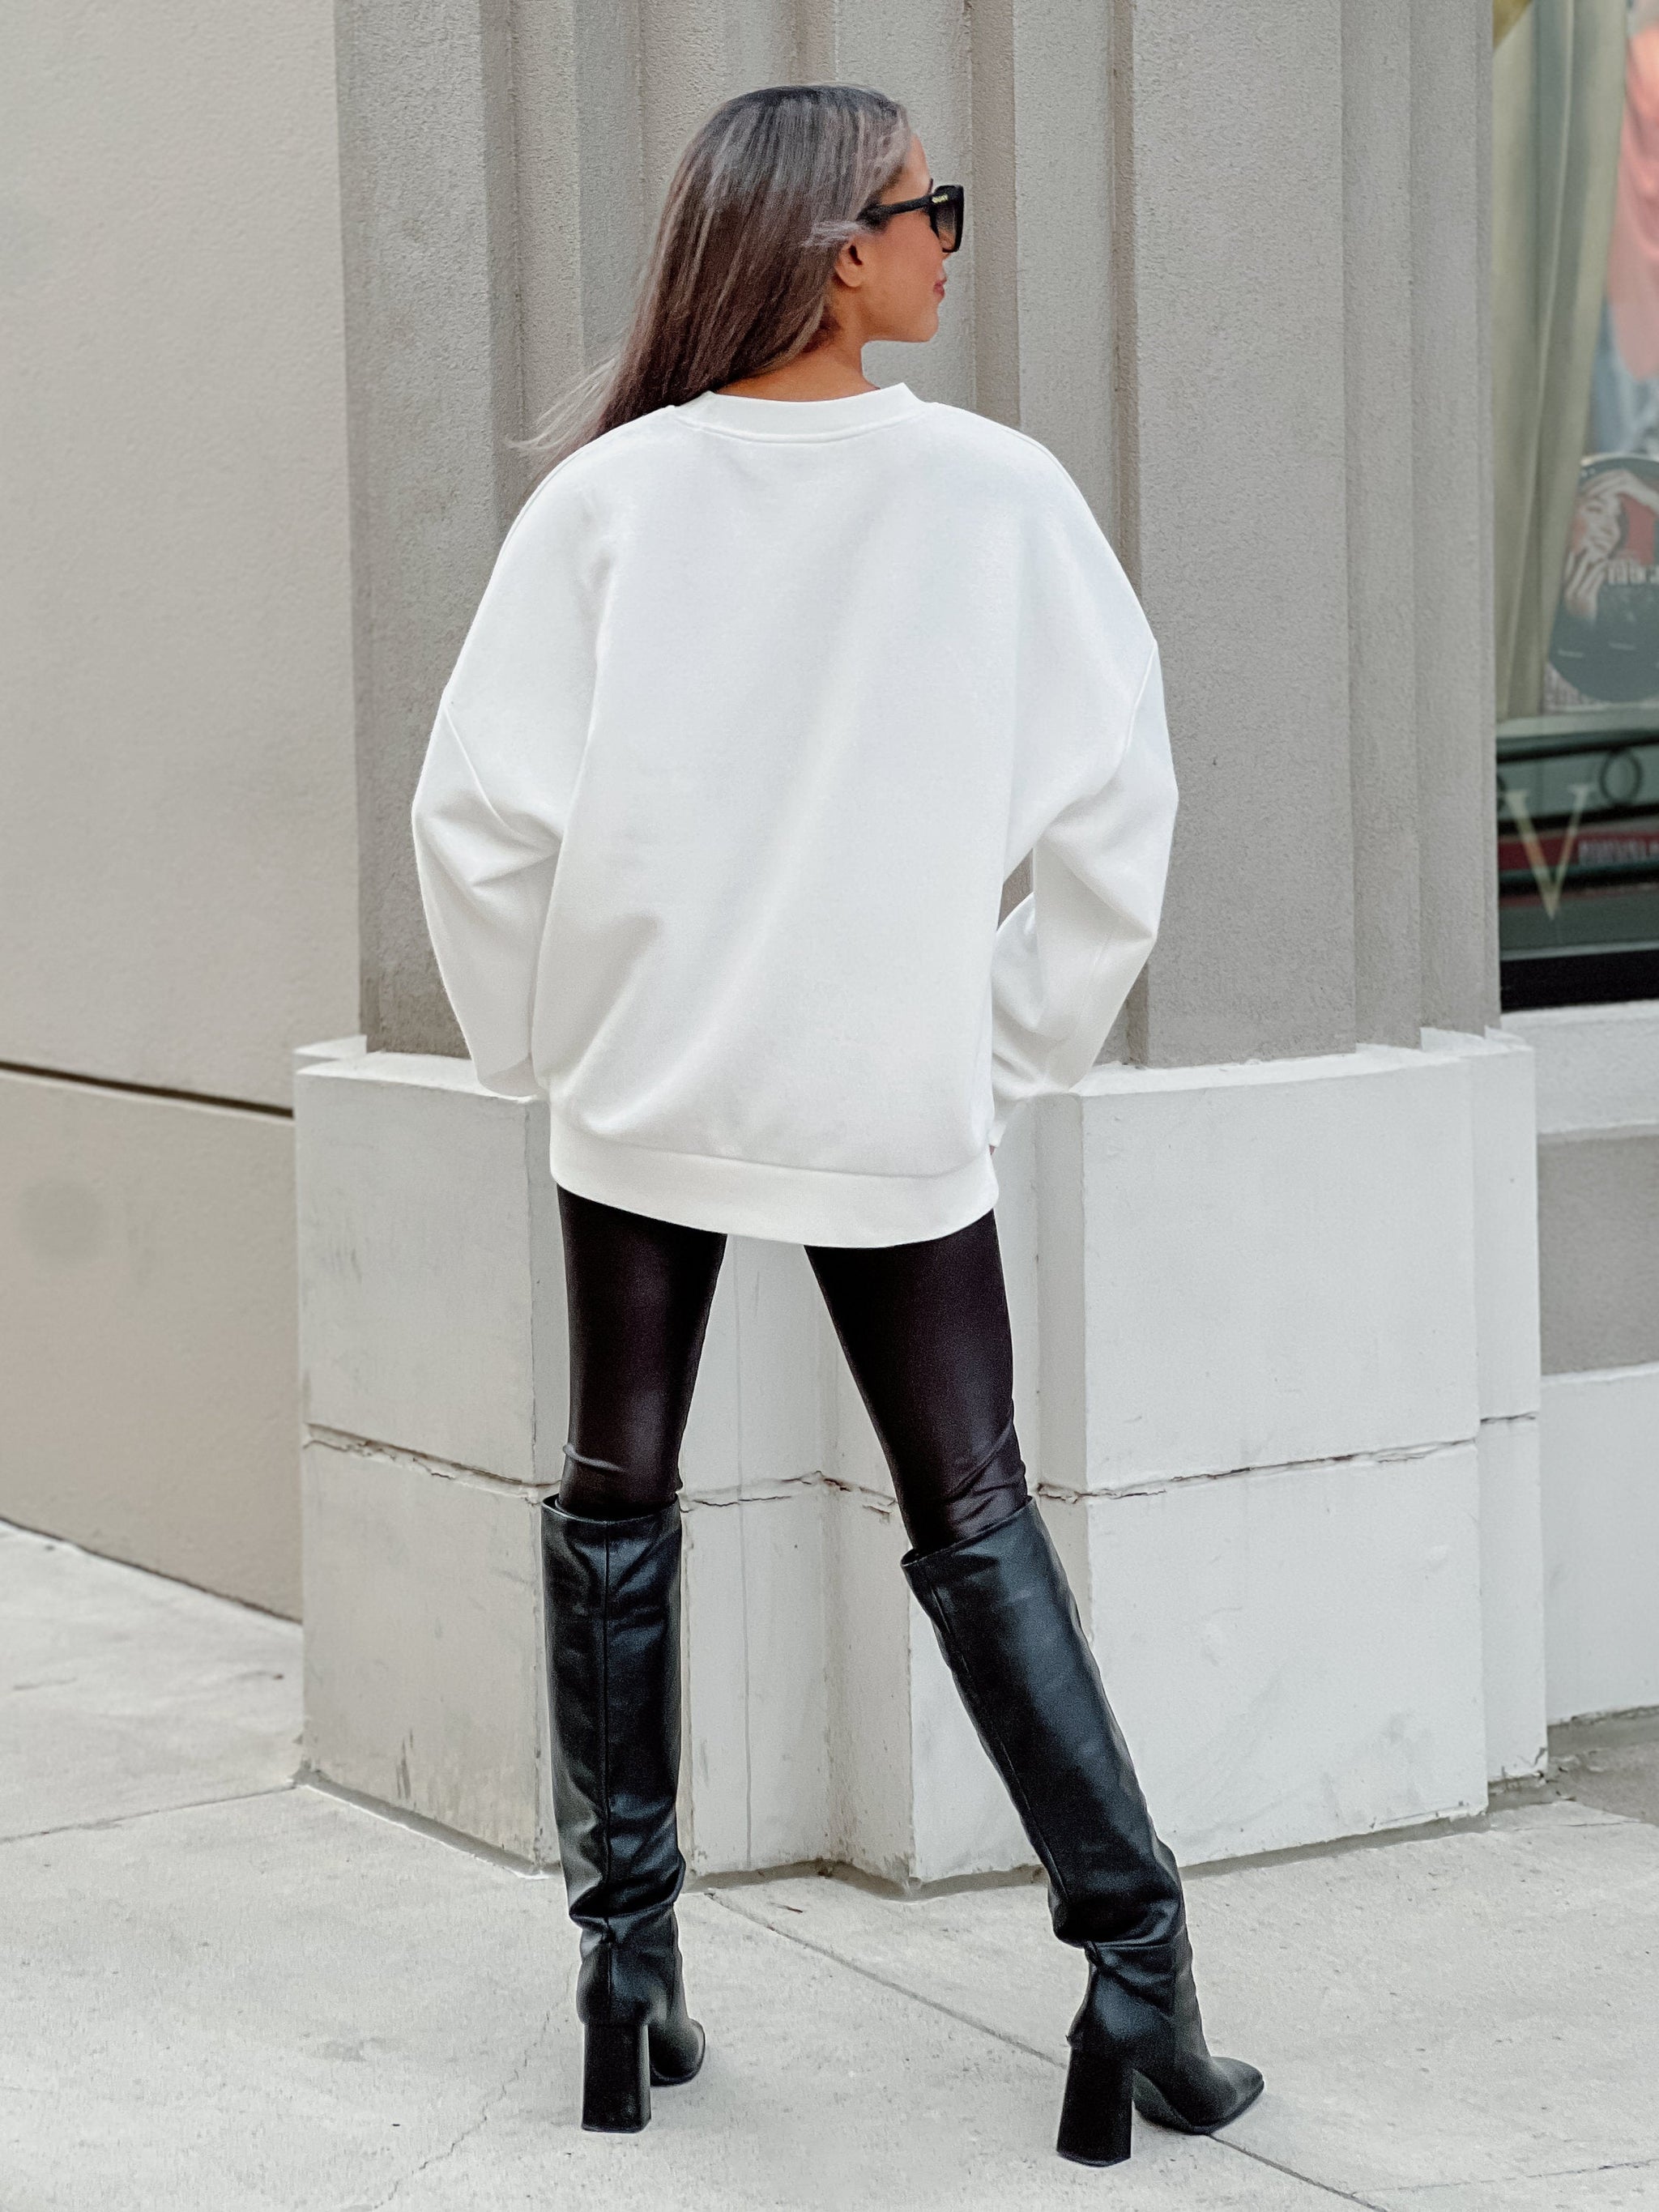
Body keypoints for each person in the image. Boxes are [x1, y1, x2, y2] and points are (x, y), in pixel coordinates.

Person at [409, 80, 1261, 2171]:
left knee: (617, 1496)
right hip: (886, 1098)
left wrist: (541, 1044)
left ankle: (624, 1968)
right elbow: (1121, 814)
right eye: (922, 205)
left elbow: (474, 816)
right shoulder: (996, 496)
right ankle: (1133, 1968)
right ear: (833, 248)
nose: (947, 237)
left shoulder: (611, 504)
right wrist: (998, 1042)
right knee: (974, 1511)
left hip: (645, 1090)